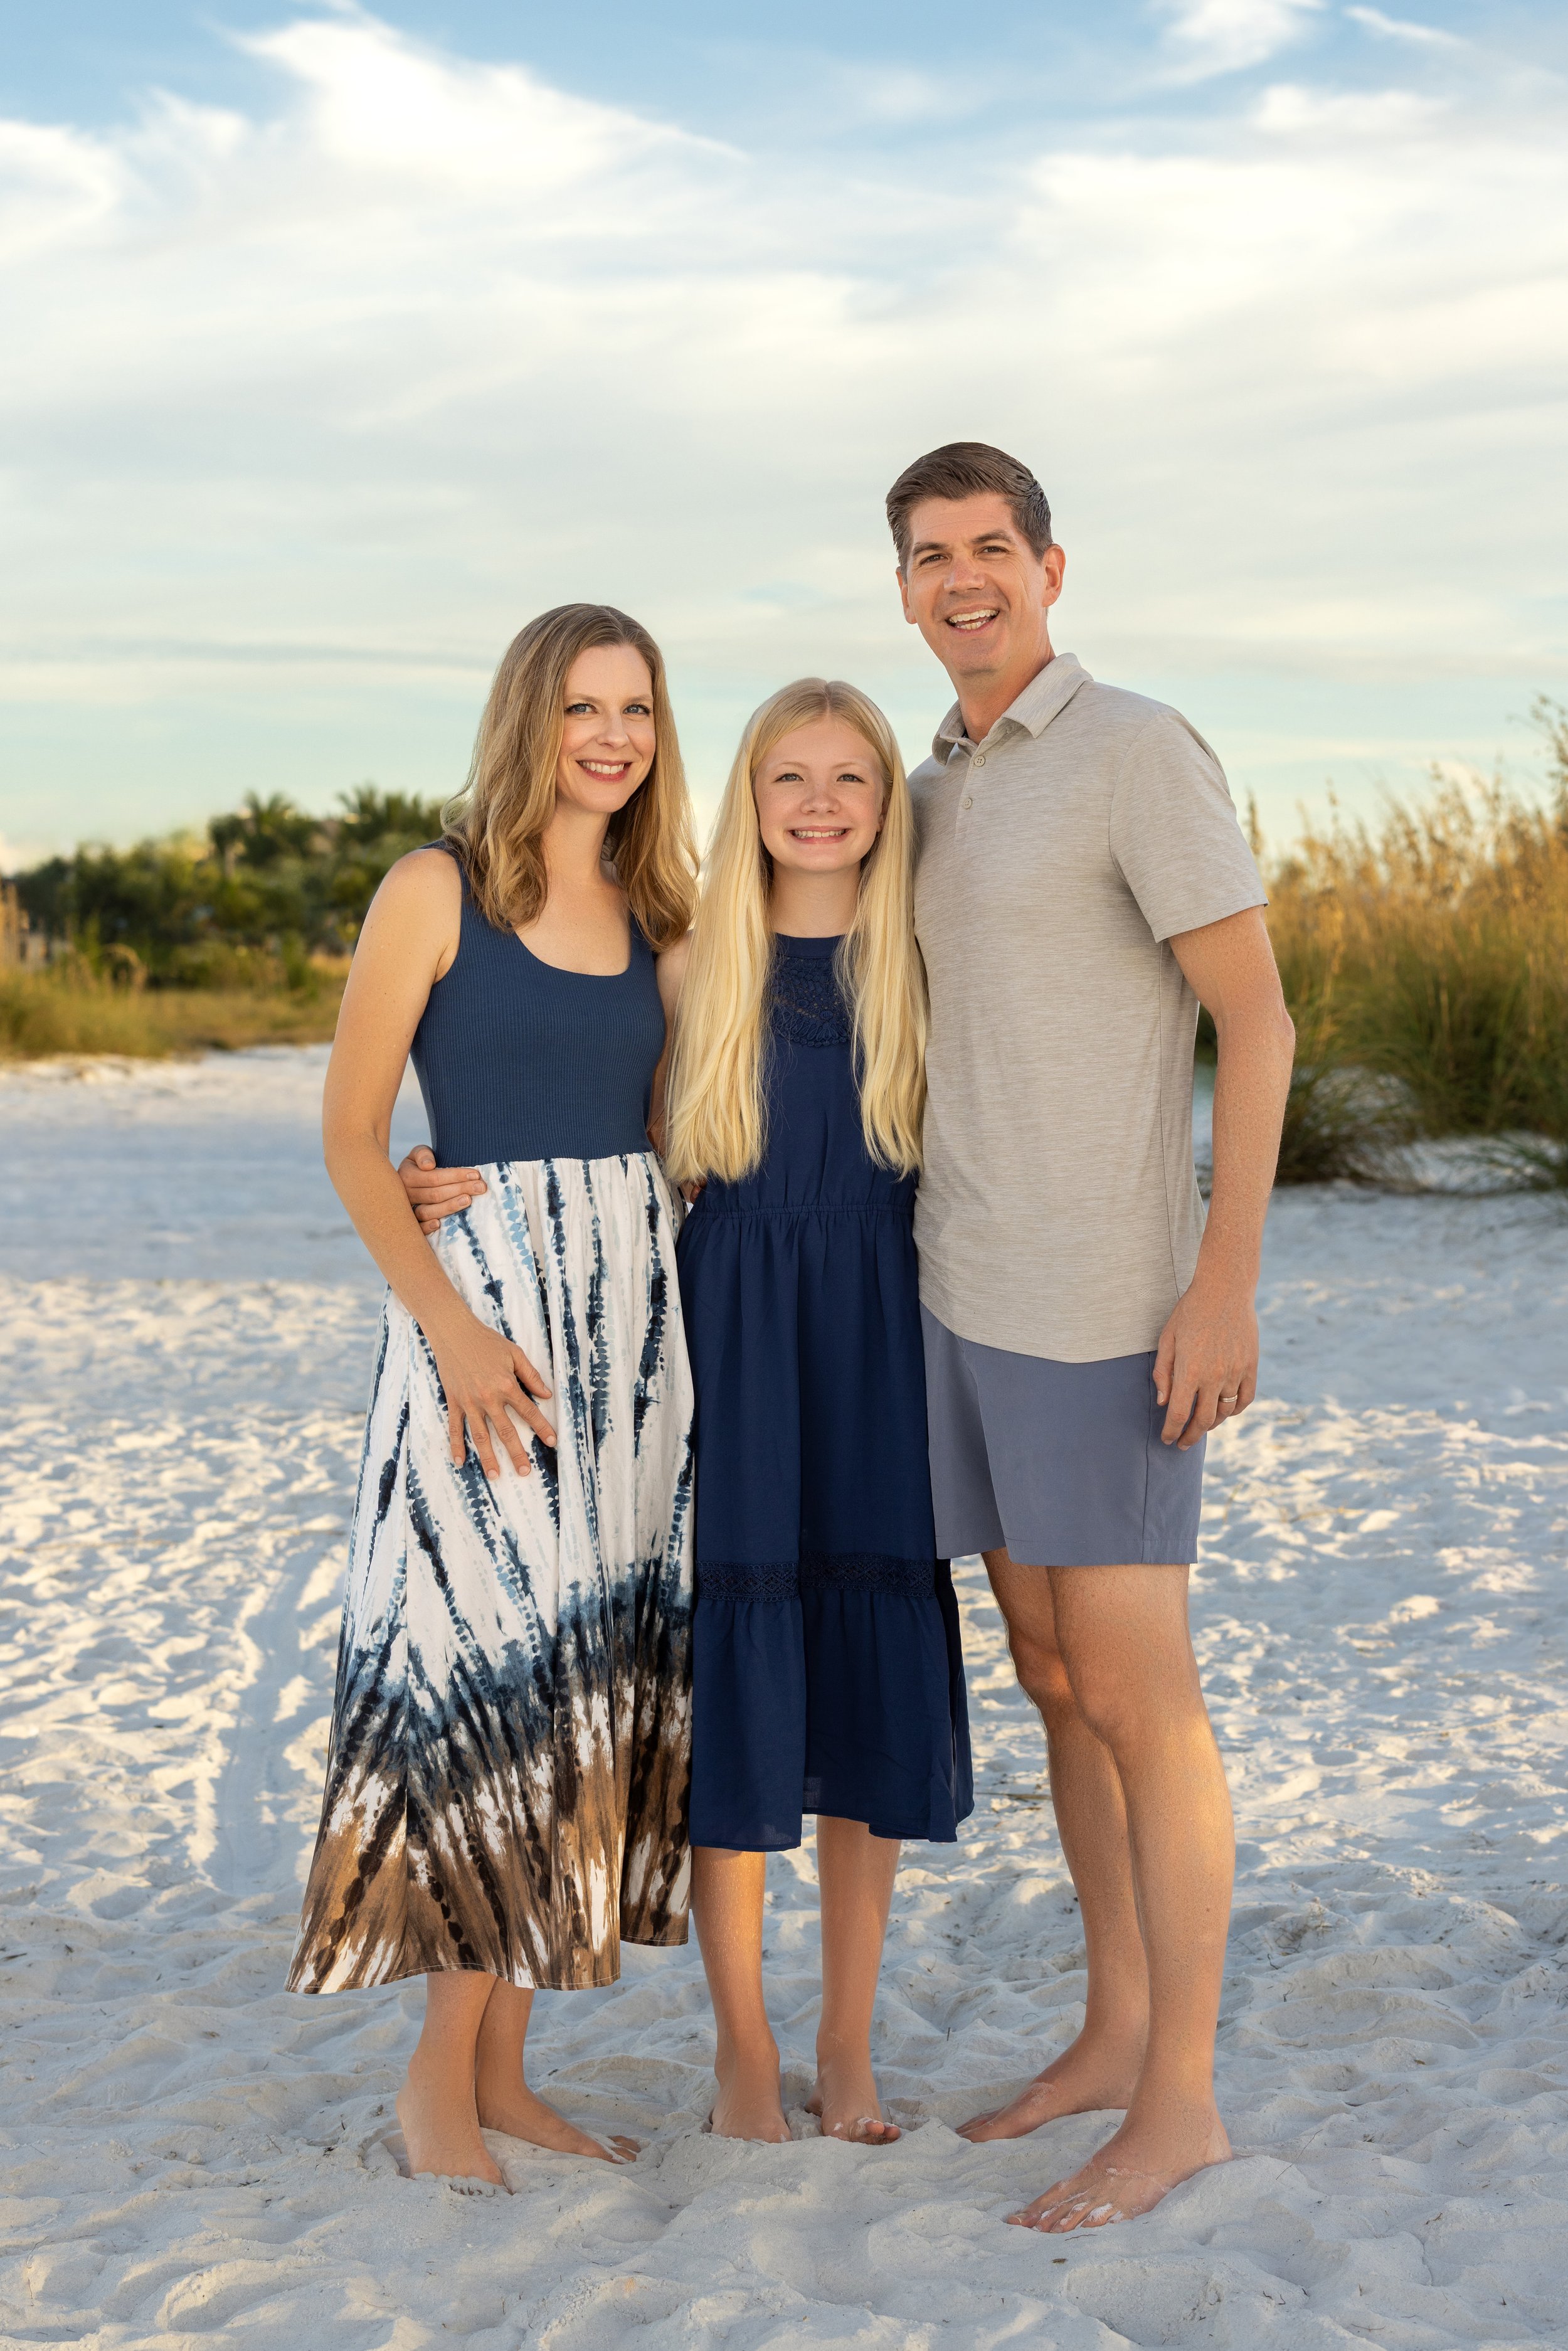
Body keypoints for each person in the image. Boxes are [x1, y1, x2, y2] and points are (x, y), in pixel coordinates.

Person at [886, 442, 1295, 2231]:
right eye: (927, 556)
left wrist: (1222, 1283)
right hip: (960, 1292)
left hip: (1107, 1311)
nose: (961, 580)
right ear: (900, 589)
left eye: (989, 548)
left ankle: (1183, 2096)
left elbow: (1258, 1025)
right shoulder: (935, 783)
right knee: (1051, 1680)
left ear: (1050, 565)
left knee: (1141, 1696)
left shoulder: (1135, 748)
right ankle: (1114, 2028)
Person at [287, 603, 699, 2193]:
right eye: (586, 705)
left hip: (637, 1329)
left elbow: (681, 1124)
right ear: (529, 713)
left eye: (640, 711)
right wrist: (450, 1328)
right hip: (490, 1327)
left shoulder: (663, 903)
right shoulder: (433, 887)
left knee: (584, 1677)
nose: (612, 736)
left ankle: (510, 2071)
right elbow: (347, 1132)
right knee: (486, 1675)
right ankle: (429, 2084)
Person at [664, 678, 972, 2145]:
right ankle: (741, 2047)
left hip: (877, 1344)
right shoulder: (690, 966)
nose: (821, 801)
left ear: (884, 801)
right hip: (730, 1340)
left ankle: (844, 2047)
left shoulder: (920, 960)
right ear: (750, 796)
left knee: (856, 1695)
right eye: (789, 775)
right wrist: (430, 1160)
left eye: (851, 775)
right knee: (738, 1682)